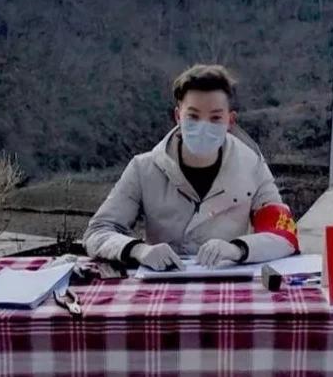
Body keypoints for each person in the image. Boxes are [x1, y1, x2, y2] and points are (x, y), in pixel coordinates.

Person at [83, 64, 299, 270]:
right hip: (162, 282)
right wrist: (138, 250)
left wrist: (238, 249)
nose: (204, 126)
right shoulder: (143, 168)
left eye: (215, 118)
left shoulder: (253, 166)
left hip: (228, 282)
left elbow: (283, 234)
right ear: (178, 116)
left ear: (230, 120)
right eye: (193, 116)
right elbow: (98, 231)